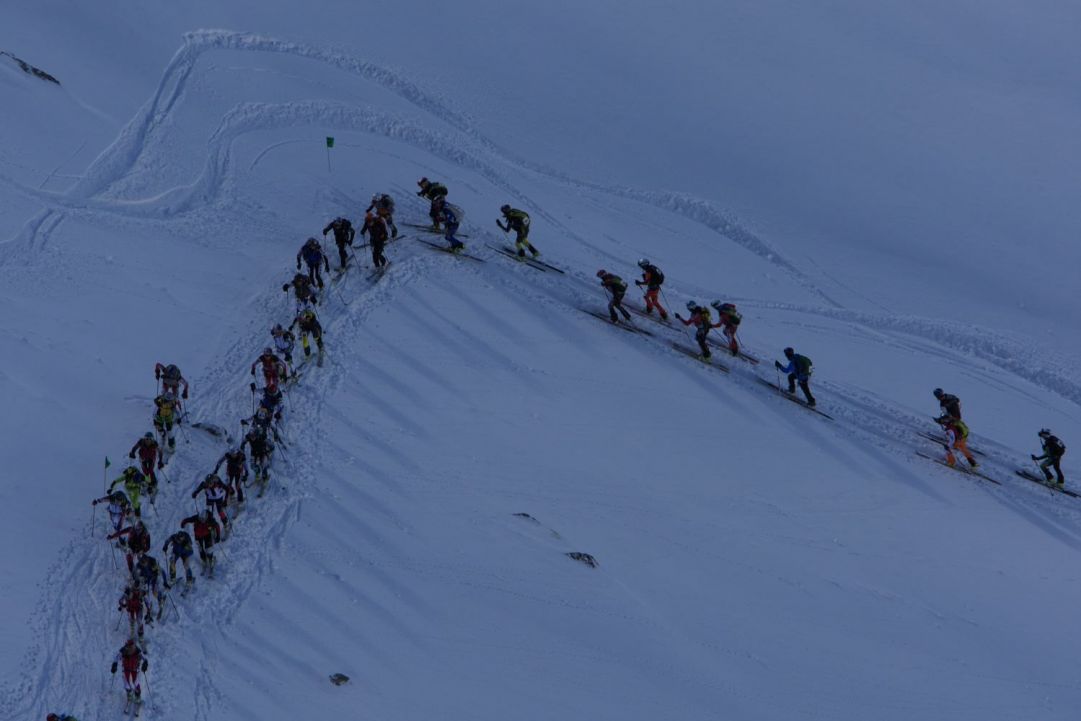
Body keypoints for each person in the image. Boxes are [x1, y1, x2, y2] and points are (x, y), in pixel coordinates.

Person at [180, 509, 222, 577]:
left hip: (207, 535)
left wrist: (218, 536)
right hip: (198, 536)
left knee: (209, 549)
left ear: (206, 517)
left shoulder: (210, 520)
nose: (201, 520)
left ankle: (210, 560)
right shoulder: (197, 518)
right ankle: (204, 560)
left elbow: (217, 527)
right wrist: (183, 522)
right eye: (200, 519)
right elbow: (189, 519)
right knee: (200, 549)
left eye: (203, 519)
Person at [110, 639, 148, 710]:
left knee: (136, 682)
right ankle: (129, 694)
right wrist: (114, 664)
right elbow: (117, 658)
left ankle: (137, 696)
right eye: (129, 648)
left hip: (135, 669)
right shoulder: (123, 651)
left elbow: (145, 658)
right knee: (126, 683)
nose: (131, 649)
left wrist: (145, 664)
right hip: (126, 669)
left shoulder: (137, 651)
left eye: (132, 647)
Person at [133, 554, 167, 620]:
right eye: (142, 563)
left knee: (154, 592)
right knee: (145, 593)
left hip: (154, 577)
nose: (144, 564)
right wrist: (136, 581)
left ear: (147, 560)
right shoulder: (138, 566)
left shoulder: (152, 561)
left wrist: (165, 582)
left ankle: (161, 599)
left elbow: (162, 571)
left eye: (145, 562)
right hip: (146, 579)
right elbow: (135, 575)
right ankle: (148, 608)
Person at [241, 427, 274, 493]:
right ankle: (257, 472)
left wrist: (269, 449)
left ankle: (265, 477)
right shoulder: (248, 437)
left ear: (256, 435)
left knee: (263, 464)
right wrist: (242, 447)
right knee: (252, 466)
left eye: (253, 436)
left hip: (262, 452)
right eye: (251, 436)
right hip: (254, 453)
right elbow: (243, 442)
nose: (252, 438)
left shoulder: (262, 438)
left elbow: (271, 445)